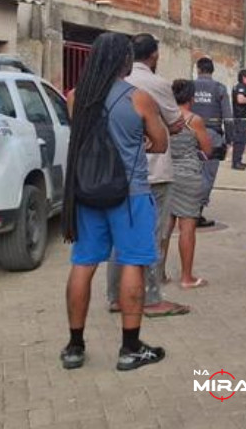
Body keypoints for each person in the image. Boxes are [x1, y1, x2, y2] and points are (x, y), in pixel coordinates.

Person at [62, 32, 168, 372]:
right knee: (132, 263)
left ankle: (75, 346)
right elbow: (161, 142)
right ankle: (130, 348)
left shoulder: (76, 96)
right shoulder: (139, 98)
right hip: (129, 195)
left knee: (83, 264)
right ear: (125, 60)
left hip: (86, 192)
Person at [105, 34, 190, 319]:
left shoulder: (103, 87)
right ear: (154, 55)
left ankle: (116, 297)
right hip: (152, 171)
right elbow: (175, 126)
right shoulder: (156, 85)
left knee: (119, 237)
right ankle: (151, 298)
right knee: (151, 236)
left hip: (113, 173)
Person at [165, 79, 214, 289]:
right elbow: (207, 150)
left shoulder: (162, 115)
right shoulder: (194, 120)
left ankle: (158, 274)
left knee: (164, 229)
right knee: (187, 228)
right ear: (191, 98)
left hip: (165, 173)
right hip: (188, 175)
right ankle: (186, 277)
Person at [192, 57, 233, 228]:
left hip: (190, 132)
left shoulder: (190, 86)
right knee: (207, 175)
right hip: (212, 136)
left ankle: (184, 209)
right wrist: (229, 140)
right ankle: (196, 212)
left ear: (199, 69)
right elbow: (228, 117)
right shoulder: (219, 88)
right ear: (212, 71)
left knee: (190, 171)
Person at [231, 69, 246, 171]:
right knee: (240, 140)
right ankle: (236, 163)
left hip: (243, 117)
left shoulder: (244, 87)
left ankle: (238, 161)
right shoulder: (241, 87)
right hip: (240, 117)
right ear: (244, 77)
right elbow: (240, 100)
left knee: (242, 140)